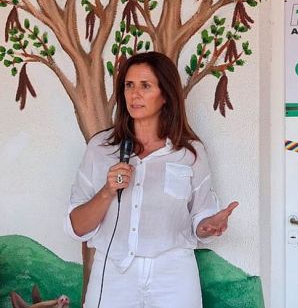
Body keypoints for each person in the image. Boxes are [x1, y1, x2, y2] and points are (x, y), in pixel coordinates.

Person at [65, 51, 238, 308]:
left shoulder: (189, 153)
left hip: (173, 273)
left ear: (165, 94)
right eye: (129, 85)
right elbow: (76, 227)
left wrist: (208, 225)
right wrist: (107, 192)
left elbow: (200, 216)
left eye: (145, 86)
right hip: (113, 273)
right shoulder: (100, 148)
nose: (134, 94)